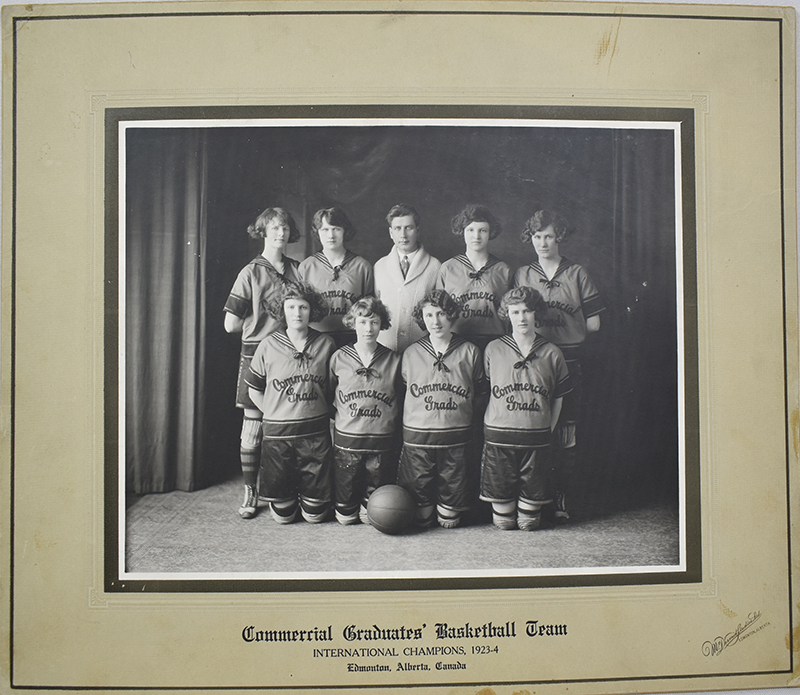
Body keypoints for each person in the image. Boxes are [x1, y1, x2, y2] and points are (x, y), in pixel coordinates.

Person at [513, 209, 604, 522]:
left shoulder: (576, 272)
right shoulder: (523, 273)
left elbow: (594, 323)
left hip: (569, 358)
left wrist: (564, 332)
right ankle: (532, 494)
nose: (542, 242)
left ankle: (561, 496)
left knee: (566, 430)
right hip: (534, 357)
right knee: (532, 424)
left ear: (559, 237)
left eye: (548, 236)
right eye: (537, 236)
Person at [223, 207, 301, 519]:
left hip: (293, 354)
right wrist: (261, 325)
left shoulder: (297, 269)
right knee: (254, 425)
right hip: (258, 355)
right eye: (274, 228)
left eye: (284, 228)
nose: (280, 233)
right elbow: (230, 324)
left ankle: (290, 487)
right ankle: (250, 490)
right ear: (263, 232)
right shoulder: (250, 272)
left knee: (292, 421)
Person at [481, 287, 572, 531]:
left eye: (527, 311)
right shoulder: (493, 349)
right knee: (503, 521)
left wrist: (547, 428)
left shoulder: (552, 352)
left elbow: (559, 397)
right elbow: (487, 389)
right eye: (515, 312)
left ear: (537, 314)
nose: (521, 318)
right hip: (500, 438)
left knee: (529, 522)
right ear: (506, 314)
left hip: (536, 441)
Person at [245, 283, 336, 524]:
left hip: (315, 434)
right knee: (284, 516)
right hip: (278, 436)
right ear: (282, 310)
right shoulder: (268, 345)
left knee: (315, 515)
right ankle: (287, 497)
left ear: (312, 310)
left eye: (303, 307)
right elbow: (254, 390)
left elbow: (334, 389)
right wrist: (275, 412)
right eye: (291, 307)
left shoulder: (326, 344)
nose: (297, 313)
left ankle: (309, 496)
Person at [396, 290, 484, 529]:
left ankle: (448, 509)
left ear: (452, 315)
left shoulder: (470, 351)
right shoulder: (412, 352)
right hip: (418, 439)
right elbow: (401, 392)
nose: (435, 321)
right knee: (422, 516)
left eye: (441, 314)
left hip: (455, 439)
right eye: (429, 315)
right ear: (421, 318)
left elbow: (479, 395)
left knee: (450, 519)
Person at [328, 297, 402, 525]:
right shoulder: (339, 357)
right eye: (362, 322)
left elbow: (401, 398)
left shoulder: (393, 360)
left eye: (375, 322)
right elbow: (328, 394)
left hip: (381, 443)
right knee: (345, 517)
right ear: (352, 323)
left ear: (383, 325)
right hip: (347, 442)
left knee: (374, 514)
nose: (368, 329)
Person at [435, 204, 511, 350]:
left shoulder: (503, 270)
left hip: (495, 343)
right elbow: (439, 310)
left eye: (482, 230)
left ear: (490, 233)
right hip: (456, 343)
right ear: (462, 232)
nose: (476, 236)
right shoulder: (448, 268)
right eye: (470, 230)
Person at [298, 206, 374, 347]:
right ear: (317, 232)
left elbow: (370, 310)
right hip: (316, 342)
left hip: (353, 340)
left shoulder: (362, 267)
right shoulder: (306, 267)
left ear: (345, 231)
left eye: (336, 229)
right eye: (325, 230)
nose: (330, 235)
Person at [374, 203, 441, 352]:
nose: (403, 235)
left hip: (422, 350)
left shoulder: (435, 266)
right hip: (385, 350)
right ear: (391, 233)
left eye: (408, 228)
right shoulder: (379, 266)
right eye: (397, 229)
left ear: (417, 230)